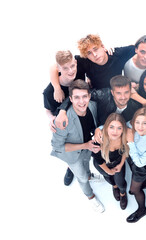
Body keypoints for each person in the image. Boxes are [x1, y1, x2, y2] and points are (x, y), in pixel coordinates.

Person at [50, 80, 105, 213]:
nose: (81, 102)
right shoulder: (63, 120)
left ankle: (89, 175)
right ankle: (90, 196)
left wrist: (97, 133)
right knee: (81, 177)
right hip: (72, 154)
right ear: (70, 99)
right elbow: (57, 147)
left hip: (86, 147)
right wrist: (85, 145)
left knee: (86, 165)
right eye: (76, 97)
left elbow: (94, 124)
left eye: (84, 96)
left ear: (89, 96)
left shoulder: (92, 106)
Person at [49, 34, 136, 100]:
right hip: (98, 96)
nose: (94, 55)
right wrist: (57, 89)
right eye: (89, 53)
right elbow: (55, 66)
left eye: (96, 49)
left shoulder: (116, 54)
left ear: (103, 46)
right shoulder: (85, 61)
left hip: (118, 93)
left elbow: (138, 48)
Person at [43, 50, 83, 186]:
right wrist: (51, 119)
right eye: (65, 68)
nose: (71, 71)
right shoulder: (50, 92)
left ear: (76, 62)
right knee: (70, 148)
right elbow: (47, 111)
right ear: (58, 68)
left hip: (82, 115)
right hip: (67, 125)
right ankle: (70, 167)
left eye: (72, 66)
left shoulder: (79, 70)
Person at [92, 113, 129, 210]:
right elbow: (98, 159)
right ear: (106, 127)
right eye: (111, 127)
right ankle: (114, 186)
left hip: (117, 163)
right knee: (108, 178)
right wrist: (108, 171)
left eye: (119, 128)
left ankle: (122, 193)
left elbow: (125, 152)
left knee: (121, 182)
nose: (115, 131)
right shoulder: (99, 139)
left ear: (123, 129)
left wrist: (121, 164)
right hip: (102, 165)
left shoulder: (124, 138)